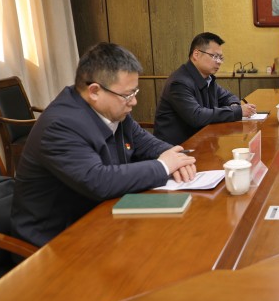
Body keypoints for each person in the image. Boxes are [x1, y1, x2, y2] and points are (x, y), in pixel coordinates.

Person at [11, 42, 197, 247]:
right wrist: (163, 166)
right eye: (127, 95)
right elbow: (98, 181)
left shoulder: (113, 110)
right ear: (94, 91)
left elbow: (145, 142)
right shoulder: (60, 126)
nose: (133, 102)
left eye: (134, 93)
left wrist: (176, 157)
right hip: (55, 239)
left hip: (101, 216)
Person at [154, 32, 256, 145]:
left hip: (201, 140)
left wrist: (234, 106)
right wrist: (237, 111)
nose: (219, 62)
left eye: (221, 58)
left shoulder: (207, 79)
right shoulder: (179, 83)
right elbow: (196, 116)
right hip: (176, 148)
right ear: (196, 54)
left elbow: (228, 96)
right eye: (215, 56)